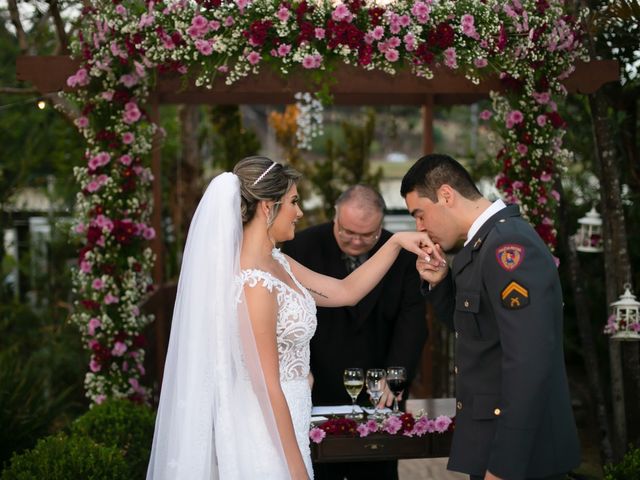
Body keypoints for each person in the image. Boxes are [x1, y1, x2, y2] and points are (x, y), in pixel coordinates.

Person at [147, 156, 440, 480]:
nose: (300, 212)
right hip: (265, 430)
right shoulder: (254, 283)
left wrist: (397, 242)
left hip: (293, 416)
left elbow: (346, 291)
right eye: (294, 201)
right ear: (266, 207)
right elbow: (266, 386)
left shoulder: (278, 263)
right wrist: (296, 468)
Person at [400, 154, 580, 480]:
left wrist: (503, 466)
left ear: (446, 195)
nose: (420, 227)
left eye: (420, 214)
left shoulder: (506, 246)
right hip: (493, 443)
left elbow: (528, 364)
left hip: (520, 455)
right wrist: (441, 284)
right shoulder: (482, 246)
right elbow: (474, 332)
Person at [282, 185, 427, 480]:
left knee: (378, 470)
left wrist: (394, 374)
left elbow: (412, 322)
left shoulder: (400, 254)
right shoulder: (300, 247)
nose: (357, 241)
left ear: (381, 225)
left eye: (368, 235)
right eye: (348, 232)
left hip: (379, 388)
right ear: (335, 216)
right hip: (318, 382)